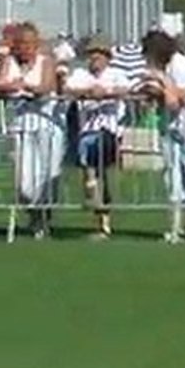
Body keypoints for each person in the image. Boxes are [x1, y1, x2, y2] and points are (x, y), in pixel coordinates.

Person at [139, 29, 185, 243]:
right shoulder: (158, 67)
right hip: (170, 124)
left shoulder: (178, 63)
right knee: (171, 176)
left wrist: (161, 80)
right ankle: (176, 226)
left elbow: (177, 98)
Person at [0, 21, 65, 239]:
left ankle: (43, 219)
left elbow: (46, 87)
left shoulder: (46, 61)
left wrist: (24, 87)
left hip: (47, 125)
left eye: (29, 44)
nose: (25, 48)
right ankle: (34, 214)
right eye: (21, 44)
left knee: (48, 175)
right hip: (21, 126)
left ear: (37, 44)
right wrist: (13, 87)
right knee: (24, 182)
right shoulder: (9, 62)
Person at [64, 34, 131, 239]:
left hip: (109, 132)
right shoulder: (81, 74)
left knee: (103, 175)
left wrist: (107, 91)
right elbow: (68, 88)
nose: (95, 59)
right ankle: (98, 213)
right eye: (92, 55)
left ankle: (104, 221)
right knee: (89, 160)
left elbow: (127, 89)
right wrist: (88, 91)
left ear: (107, 57)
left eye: (99, 55)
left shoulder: (115, 74)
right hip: (86, 131)